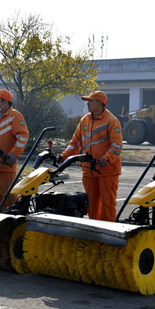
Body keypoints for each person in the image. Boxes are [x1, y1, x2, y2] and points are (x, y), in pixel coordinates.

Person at [58, 90, 123, 222]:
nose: (87, 104)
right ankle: (95, 234)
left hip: (107, 171)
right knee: (91, 206)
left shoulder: (111, 121)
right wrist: (63, 156)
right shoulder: (84, 120)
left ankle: (108, 235)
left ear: (99, 103)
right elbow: (75, 143)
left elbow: (117, 146)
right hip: (88, 171)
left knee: (107, 206)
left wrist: (106, 158)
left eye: (90, 101)